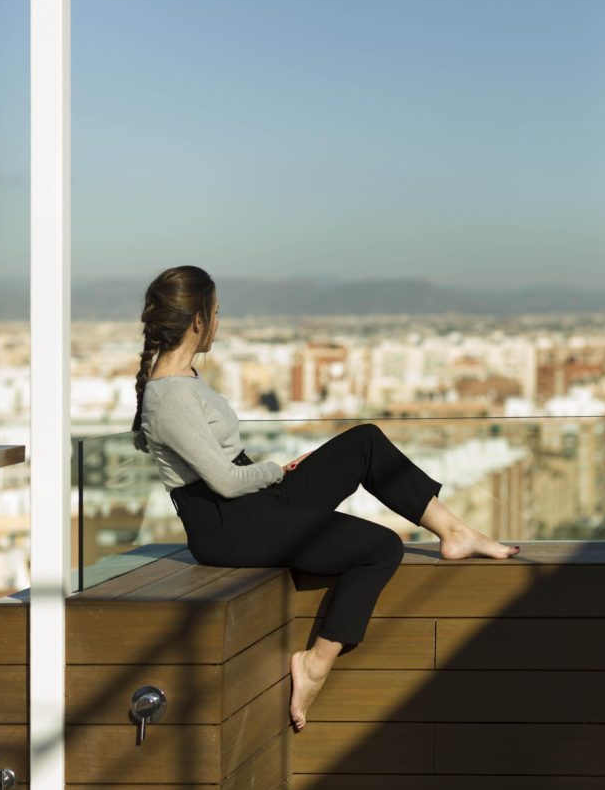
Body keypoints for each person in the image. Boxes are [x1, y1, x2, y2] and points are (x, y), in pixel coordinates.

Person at [132, 266, 522, 731]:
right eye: (216, 313)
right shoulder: (169, 397)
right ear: (197, 321)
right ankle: (315, 662)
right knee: (380, 548)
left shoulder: (184, 380)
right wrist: (281, 470)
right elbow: (225, 483)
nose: (220, 322)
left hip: (254, 502)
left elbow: (217, 464)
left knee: (364, 442)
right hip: (230, 526)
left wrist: (277, 475)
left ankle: (454, 532)